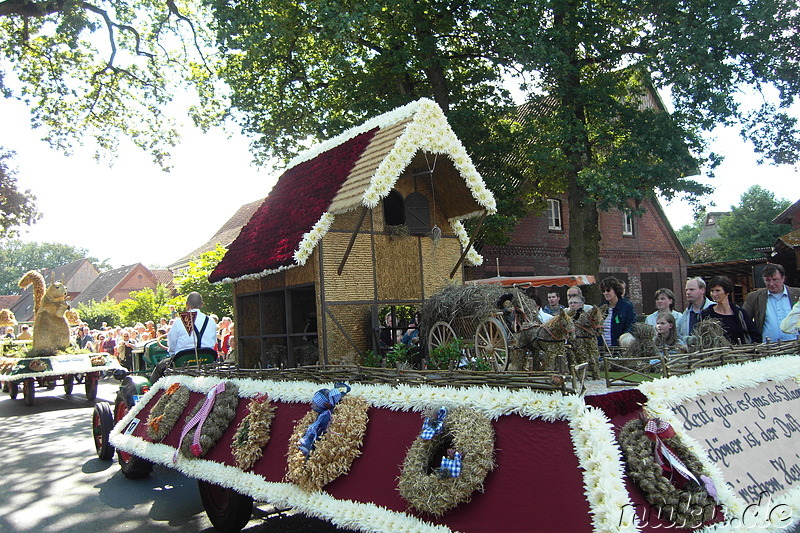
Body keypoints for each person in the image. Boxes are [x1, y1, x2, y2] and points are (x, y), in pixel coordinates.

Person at [742, 263, 800, 343]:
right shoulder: (754, 297)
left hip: (796, 346)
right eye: (767, 280)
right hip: (767, 348)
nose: (771, 284)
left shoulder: (797, 294)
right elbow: (744, 321)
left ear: (783, 278)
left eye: (775, 279)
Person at [700, 276, 760, 344]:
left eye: (717, 290)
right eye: (712, 291)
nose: (714, 294)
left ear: (727, 292)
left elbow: (755, 335)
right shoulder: (707, 314)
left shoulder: (740, 314)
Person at [166, 292, 218, 357]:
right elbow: (214, 341)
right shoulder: (211, 321)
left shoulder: (179, 321)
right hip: (207, 358)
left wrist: (172, 353)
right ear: (202, 304)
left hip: (183, 360)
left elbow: (172, 341)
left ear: (186, 304)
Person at [599, 276, 636, 347]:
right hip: (602, 348)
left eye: (608, 290)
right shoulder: (601, 307)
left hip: (619, 347)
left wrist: (622, 341)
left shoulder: (626, 306)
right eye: (603, 291)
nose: (605, 293)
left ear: (616, 290)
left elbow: (631, 326)